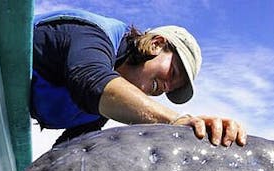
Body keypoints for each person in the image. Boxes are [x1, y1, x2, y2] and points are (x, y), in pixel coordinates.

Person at [31, 8, 246, 147]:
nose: (166, 88)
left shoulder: (105, 107)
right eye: (172, 73)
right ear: (156, 44)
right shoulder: (91, 34)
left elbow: (68, 147)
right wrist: (177, 121)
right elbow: (90, 80)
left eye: (171, 89)